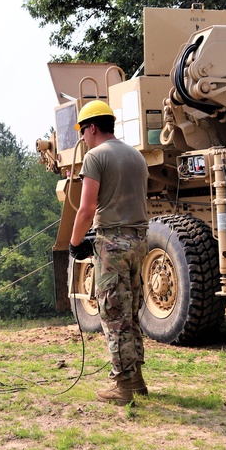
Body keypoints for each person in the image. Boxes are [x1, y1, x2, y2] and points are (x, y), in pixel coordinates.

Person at [68, 100, 150, 405]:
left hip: (112, 245)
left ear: (91, 128)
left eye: (83, 132)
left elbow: (87, 208)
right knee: (130, 312)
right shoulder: (136, 156)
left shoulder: (95, 157)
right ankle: (136, 378)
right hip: (139, 241)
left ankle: (121, 384)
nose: (83, 138)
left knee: (113, 313)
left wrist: (75, 244)